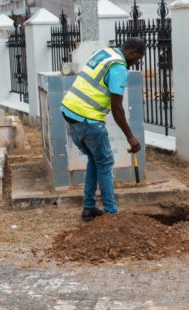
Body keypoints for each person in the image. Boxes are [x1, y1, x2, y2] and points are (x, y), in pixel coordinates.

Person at [60, 38, 146, 221]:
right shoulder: (118, 68)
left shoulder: (106, 53)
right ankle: (111, 213)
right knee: (105, 163)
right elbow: (117, 108)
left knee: (95, 158)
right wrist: (131, 137)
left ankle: (89, 208)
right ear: (133, 52)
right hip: (87, 118)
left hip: (70, 111)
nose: (136, 62)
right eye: (138, 58)